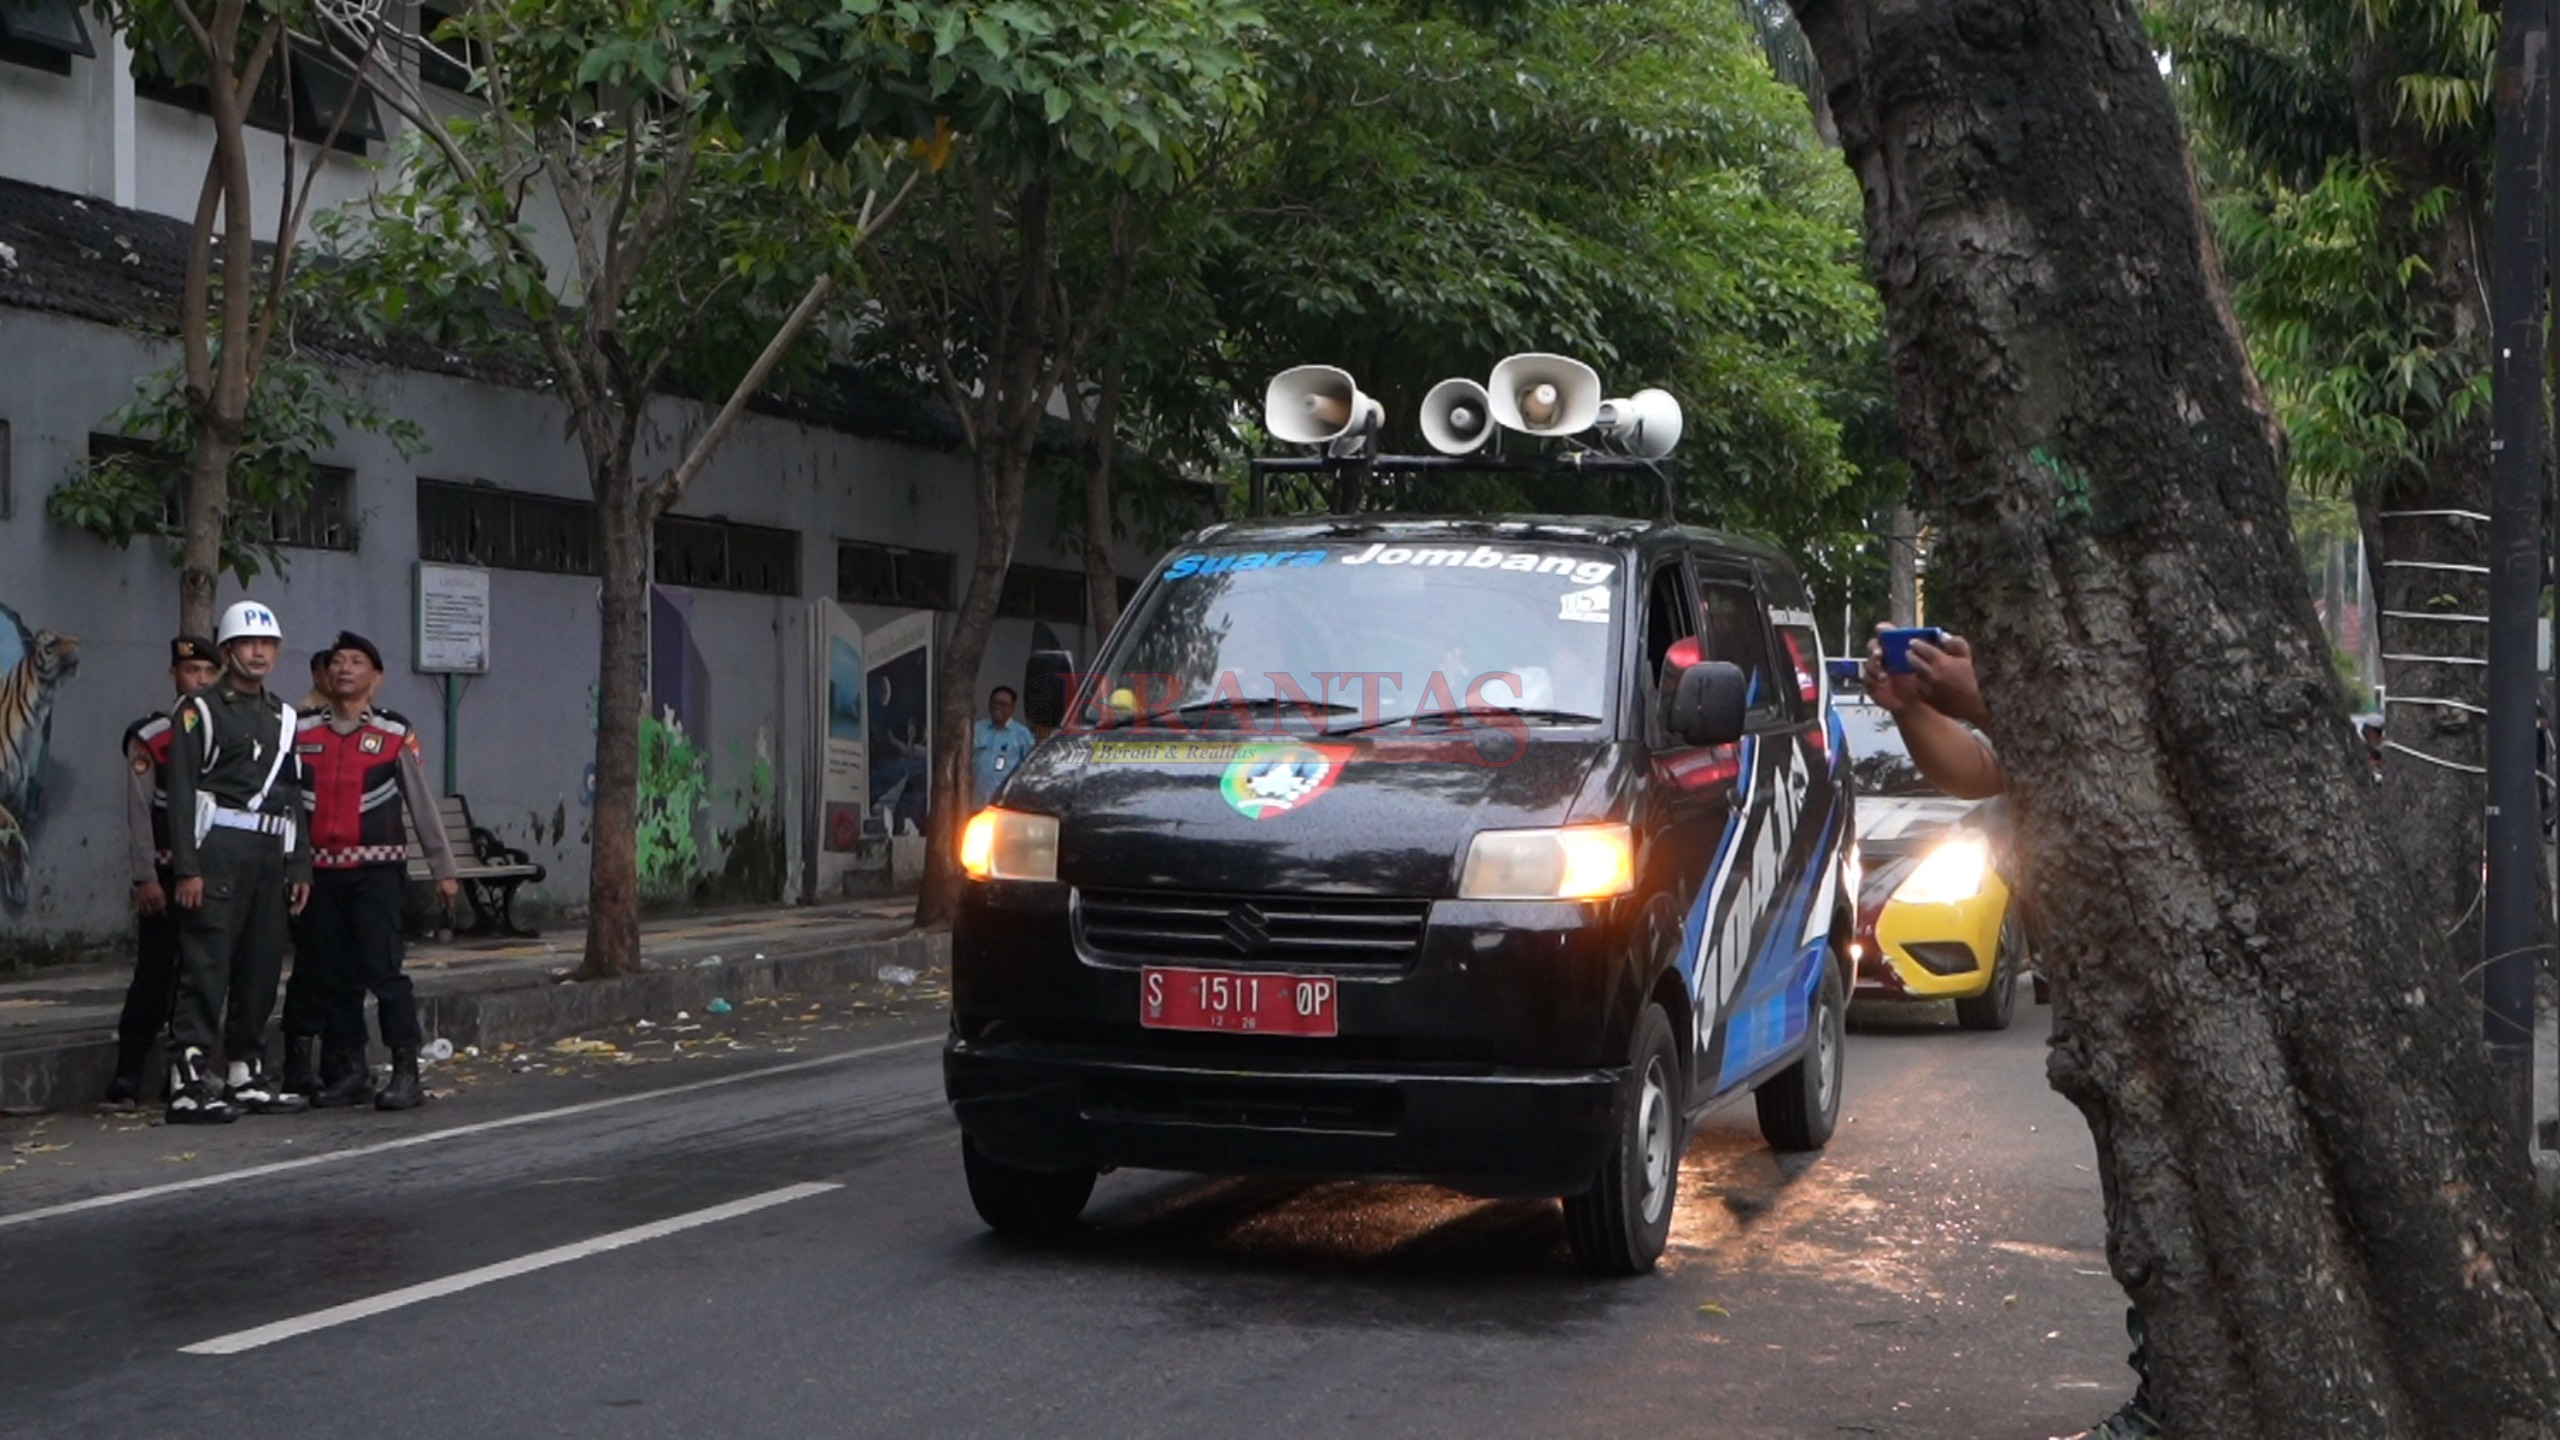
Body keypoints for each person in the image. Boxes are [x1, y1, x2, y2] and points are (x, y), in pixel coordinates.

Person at [1861, 626, 2160, 1440]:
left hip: (2164, 980)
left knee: (2170, 1210)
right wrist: (1917, 709)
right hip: (2096, 986)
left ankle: (2170, 1400)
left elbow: (2108, 760)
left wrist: (1988, 699)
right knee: (2139, 1205)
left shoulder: (2147, 640)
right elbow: (1985, 774)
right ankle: (2162, 1390)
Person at [282, 632, 459, 1110]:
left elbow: (421, 802)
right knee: (332, 973)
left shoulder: (394, 733)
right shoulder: (300, 731)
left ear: (375, 679)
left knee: (383, 970)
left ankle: (406, 1070)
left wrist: (444, 868)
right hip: (319, 873)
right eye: (338, 661)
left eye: (357, 662)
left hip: (376, 872)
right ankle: (350, 1069)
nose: (344, 668)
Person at [164, 601, 311, 1123]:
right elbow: (181, 793)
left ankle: (246, 1072)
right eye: (249, 643)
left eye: (268, 644)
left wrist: (299, 865)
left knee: (261, 964)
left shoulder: (283, 716)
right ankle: (187, 1081)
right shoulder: (199, 709)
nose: (259, 652)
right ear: (227, 651)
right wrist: (187, 867)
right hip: (219, 849)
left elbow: (292, 794)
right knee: (207, 965)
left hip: (269, 852)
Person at [101, 635, 221, 1108]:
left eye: (210, 673)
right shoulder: (152, 736)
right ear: (174, 675)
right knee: (154, 972)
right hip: (167, 875)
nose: (202, 681)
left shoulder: (231, 735)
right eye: (193, 672)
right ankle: (129, 1071)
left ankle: (190, 1072)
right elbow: (139, 810)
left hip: (216, 876)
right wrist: (144, 876)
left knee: (205, 975)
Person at [970, 685, 1035, 810]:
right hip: (975, 804)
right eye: (994, 702)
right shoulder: (977, 729)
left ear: (1012, 708)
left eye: (1003, 704)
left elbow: (1029, 769)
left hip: (1005, 807)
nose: (998, 707)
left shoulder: (1022, 734)